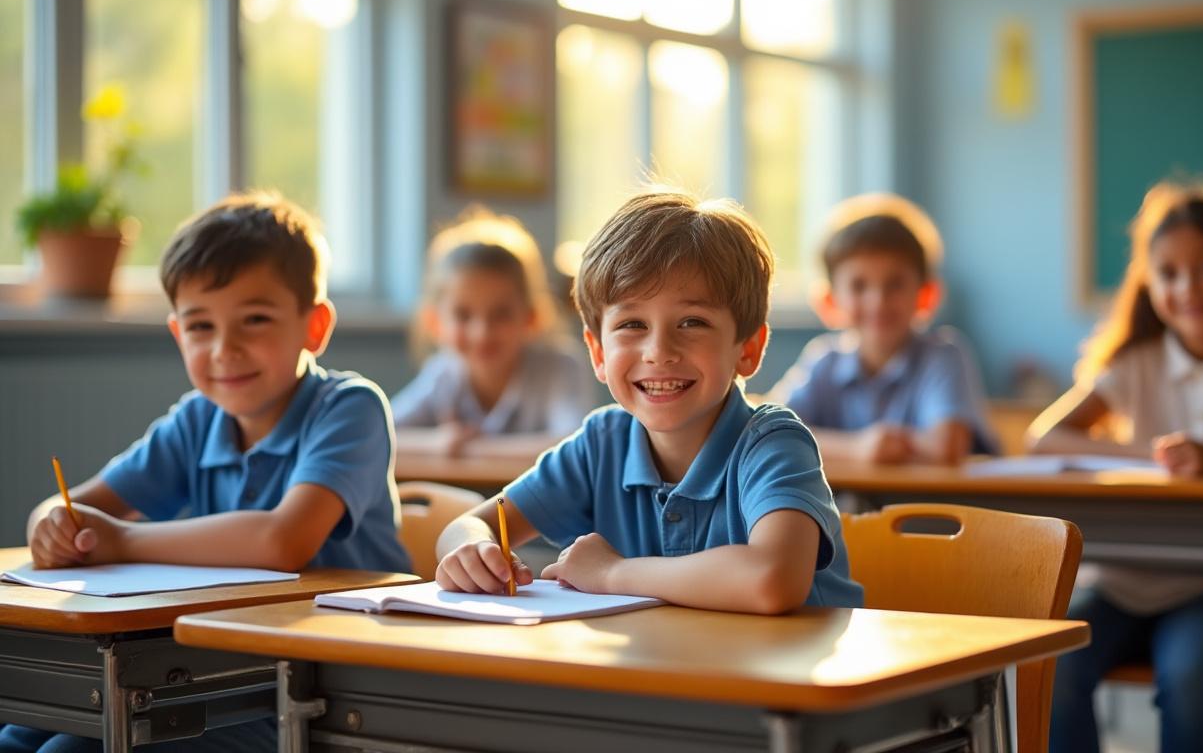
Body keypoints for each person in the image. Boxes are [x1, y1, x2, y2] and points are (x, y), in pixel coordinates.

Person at [6, 193, 410, 753]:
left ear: (314, 326)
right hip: (224, 672)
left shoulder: (349, 408)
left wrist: (119, 539)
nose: (226, 349)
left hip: (335, 692)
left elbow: (282, 540)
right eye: (201, 326)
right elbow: (73, 505)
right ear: (178, 335)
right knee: (18, 732)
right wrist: (50, 522)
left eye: (255, 319)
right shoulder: (197, 420)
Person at [433, 191, 864, 613]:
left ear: (747, 349)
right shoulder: (601, 444)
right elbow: (471, 525)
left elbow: (772, 579)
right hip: (668, 672)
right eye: (632, 324)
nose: (659, 350)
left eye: (692, 322)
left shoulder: (773, 444)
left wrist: (612, 574)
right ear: (599, 353)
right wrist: (473, 548)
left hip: (783, 679)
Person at [1031, 182, 1203, 753]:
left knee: (1187, 674)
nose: (1187, 287)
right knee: (1050, 659)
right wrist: (1154, 455)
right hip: (1121, 584)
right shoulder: (1136, 361)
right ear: (1149, 282)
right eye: (1169, 273)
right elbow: (1045, 438)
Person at [770, 193, 996, 465]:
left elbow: (946, 445)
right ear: (829, 302)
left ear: (926, 296)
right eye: (859, 286)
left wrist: (823, 443)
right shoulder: (823, 360)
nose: (878, 301)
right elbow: (773, 433)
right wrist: (856, 448)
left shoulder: (943, 355)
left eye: (895, 284)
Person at [392, 206, 593, 456]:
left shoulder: (559, 367)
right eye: (463, 315)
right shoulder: (442, 374)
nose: (482, 333)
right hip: (478, 498)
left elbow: (575, 444)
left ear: (530, 318)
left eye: (501, 314)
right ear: (435, 322)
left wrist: (473, 448)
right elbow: (382, 434)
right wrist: (436, 442)